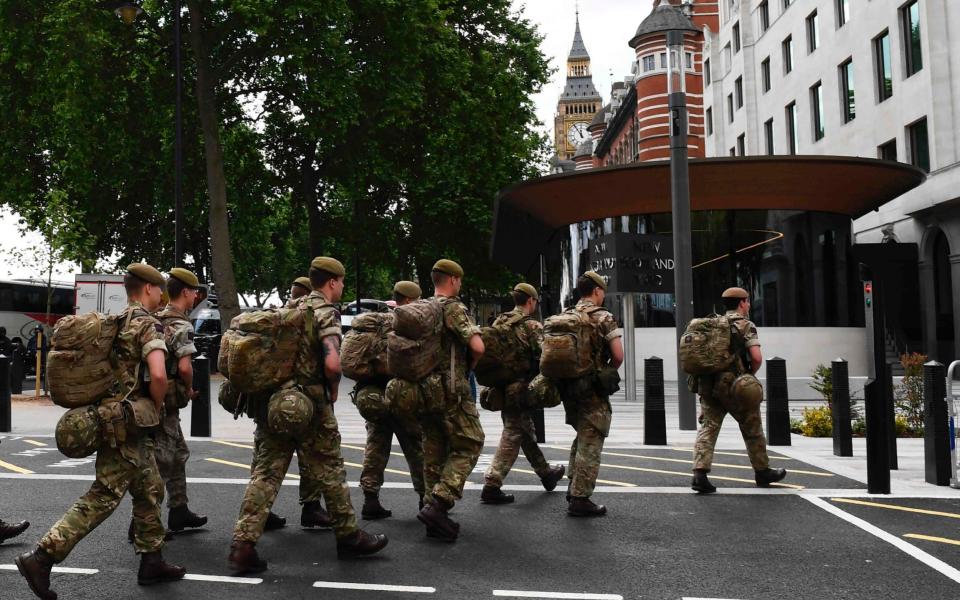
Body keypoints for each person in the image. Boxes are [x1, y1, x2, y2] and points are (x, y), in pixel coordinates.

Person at [17, 263, 186, 600]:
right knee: (104, 495)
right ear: (149, 289)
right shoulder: (147, 324)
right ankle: (42, 556)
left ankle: (152, 559)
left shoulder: (118, 320)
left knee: (150, 487)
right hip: (129, 421)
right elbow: (158, 374)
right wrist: (158, 403)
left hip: (120, 419)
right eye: (159, 289)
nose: (162, 295)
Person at [228, 257, 387, 574]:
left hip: (279, 404)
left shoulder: (290, 310)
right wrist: (333, 388)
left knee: (266, 473)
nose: (342, 287)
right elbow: (331, 362)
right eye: (341, 282)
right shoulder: (325, 312)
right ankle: (349, 536)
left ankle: (243, 545)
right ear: (332, 282)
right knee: (330, 469)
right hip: (311, 405)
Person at [691, 287, 787, 494]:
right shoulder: (745, 325)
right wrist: (749, 374)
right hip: (735, 386)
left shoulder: (711, 323)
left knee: (708, 427)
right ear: (742, 302)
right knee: (752, 426)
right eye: (748, 301)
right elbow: (757, 357)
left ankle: (700, 474)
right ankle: (762, 471)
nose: (749, 305)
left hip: (709, 385)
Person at [416, 259, 485, 542]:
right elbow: (477, 346)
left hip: (422, 389)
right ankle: (440, 503)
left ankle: (434, 515)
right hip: (450, 390)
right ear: (453, 280)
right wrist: (469, 367)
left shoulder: (422, 308)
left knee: (433, 449)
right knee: (471, 441)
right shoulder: (453, 308)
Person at [259, 276, 333, 532]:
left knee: (267, 462)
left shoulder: (278, 316)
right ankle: (313, 508)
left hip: (276, 398)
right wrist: (332, 391)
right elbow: (331, 363)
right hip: (308, 399)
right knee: (319, 457)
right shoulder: (314, 315)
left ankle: (256, 520)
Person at [481, 283, 565, 505]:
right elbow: (546, 355)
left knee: (523, 431)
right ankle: (492, 483)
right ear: (530, 301)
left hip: (501, 386)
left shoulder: (500, 321)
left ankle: (546, 474)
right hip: (520, 388)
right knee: (513, 432)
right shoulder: (531, 326)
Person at [357, 280, 425, 519]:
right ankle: (425, 500)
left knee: (376, 446)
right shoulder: (406, 324)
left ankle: (370, 499)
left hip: (372, 394)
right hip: (401, 394)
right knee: (416, 447)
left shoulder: (375, 322)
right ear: (409, 300)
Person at [562, 271, 623, 517]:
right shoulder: (603, 317)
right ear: (597, 291)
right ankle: (580, 498)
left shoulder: (565, 315)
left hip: (568, 387)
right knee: (592, 437)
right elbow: (618, 355)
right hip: (592, 388)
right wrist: (604, 374)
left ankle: (572, 484)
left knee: (582, 434)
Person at [153, 268, 207, 533]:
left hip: (157, 399)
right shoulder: (182, 324)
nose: (197, 295)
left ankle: (179, 509)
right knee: (162, 460)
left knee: (177, 454)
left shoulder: (157, 318)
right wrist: (189, 389)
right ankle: (144, 523)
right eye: (195, 291)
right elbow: (185, 367)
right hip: (167, 401)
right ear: (186, 291)